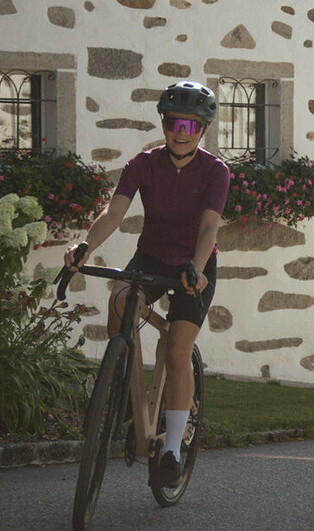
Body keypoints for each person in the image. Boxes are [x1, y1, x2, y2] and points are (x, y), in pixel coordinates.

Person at [64, 81, 229, 488]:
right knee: (120, 302)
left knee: (176, 350)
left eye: (190, 126)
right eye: (174, 122)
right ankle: (122, 385)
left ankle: (171, 448)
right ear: (164, 122)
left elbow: (209, 226)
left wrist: (198, 265)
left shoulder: (215, 171)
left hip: (195, 267)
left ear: (202, 131)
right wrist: (85, 243)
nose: (180, 131)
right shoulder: (143, 163)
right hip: (151, 259)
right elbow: (113, 213)